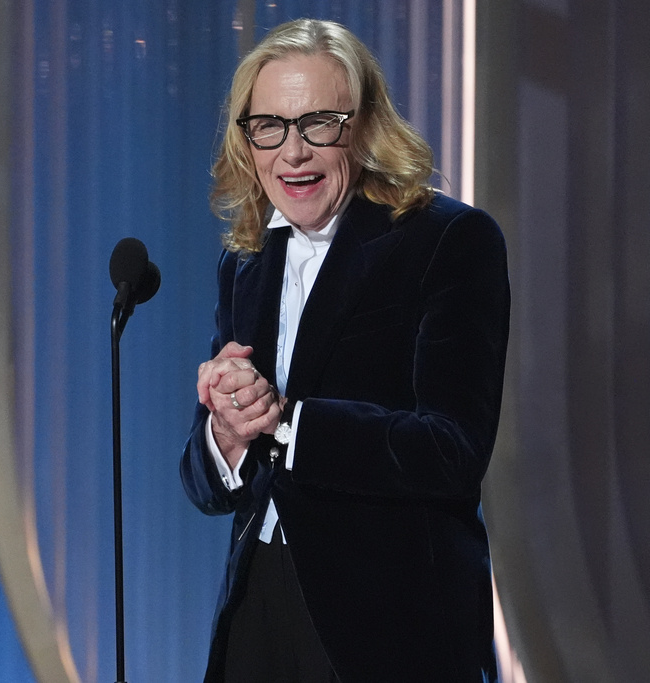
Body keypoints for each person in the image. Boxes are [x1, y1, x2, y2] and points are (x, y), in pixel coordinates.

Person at [180, 19, 509, 682]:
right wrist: (227, 432)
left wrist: (289, 423)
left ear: (363, 127)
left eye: (318, 124)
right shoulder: (245, 259)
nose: (292, 152)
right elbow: (207, 482)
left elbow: (453, 450)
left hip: (391, 622)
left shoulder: (449, 240)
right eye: (269, 126)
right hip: (259, 607)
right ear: (246, 141)